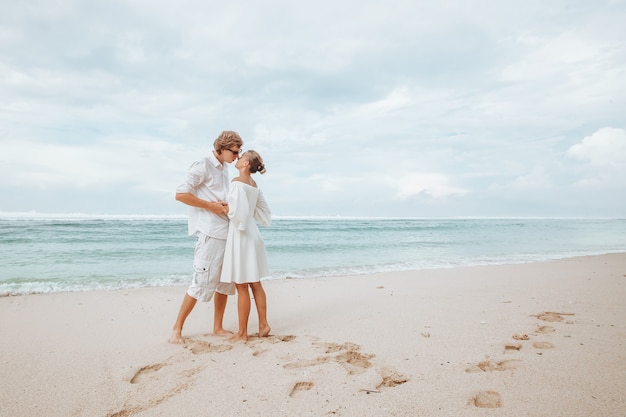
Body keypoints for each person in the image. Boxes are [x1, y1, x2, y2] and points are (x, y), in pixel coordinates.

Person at [169, 130, 243, 344]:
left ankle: (217, 327)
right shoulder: (202, 165)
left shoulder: (223, 169)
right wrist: (210, 206)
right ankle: (177, 329)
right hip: (210, 232)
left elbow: (217, 197)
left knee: (224, 283)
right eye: (235, 152)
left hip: (226, 232)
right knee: (200, 282)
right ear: (222, 148)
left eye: (239, 153)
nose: (237, 157)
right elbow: (180, 194)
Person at [220, 150, 272, 342]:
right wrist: (240, 213)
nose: (238, 158)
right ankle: (263, 324)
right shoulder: (254, 185)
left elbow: (237, 214)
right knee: (255, 283)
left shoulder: (236, 183)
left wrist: (226, 209)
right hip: (253, 234)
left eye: (241, 157)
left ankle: (242, 333)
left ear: (245, 164)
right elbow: (264, 212)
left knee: (242, 286)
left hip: (241, 235)